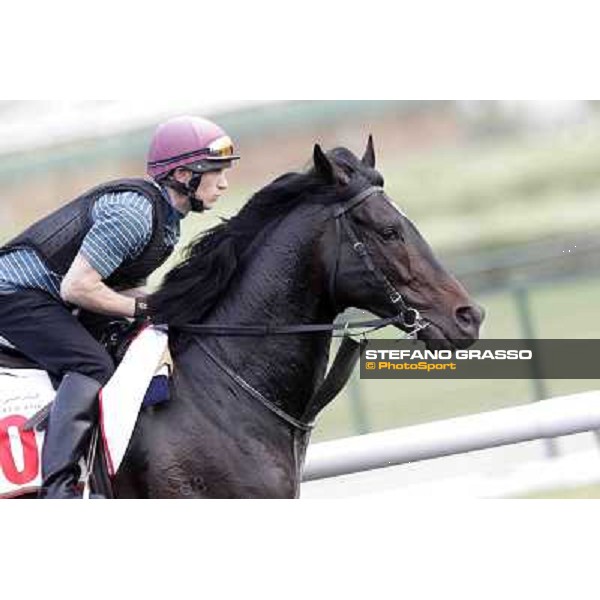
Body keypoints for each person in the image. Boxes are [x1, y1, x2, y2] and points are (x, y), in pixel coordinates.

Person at [0, 115, 239, 498]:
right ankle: (58, 489)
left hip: (46, 294)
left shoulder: (167, 223)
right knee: (90, 363)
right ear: (182, 174)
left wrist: (169, 306)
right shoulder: (135, 214)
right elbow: (78, 287)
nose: (224, 182)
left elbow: (121, 295)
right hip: (14, 294)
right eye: (214, 171)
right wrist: (145, 310)